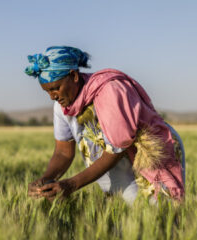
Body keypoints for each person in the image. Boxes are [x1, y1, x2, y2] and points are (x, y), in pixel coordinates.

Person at [25, 46, 185, 204]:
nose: (53, 96)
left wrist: (71, 184)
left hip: (147, 156)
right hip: (110, 163)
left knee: (157, 210)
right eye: (47, 91)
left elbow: (116, 150)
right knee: (123, 216)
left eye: (56, 88)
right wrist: (46, 179)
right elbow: (63, 152)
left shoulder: (109, 92)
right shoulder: (62, 106)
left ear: (73, 75)